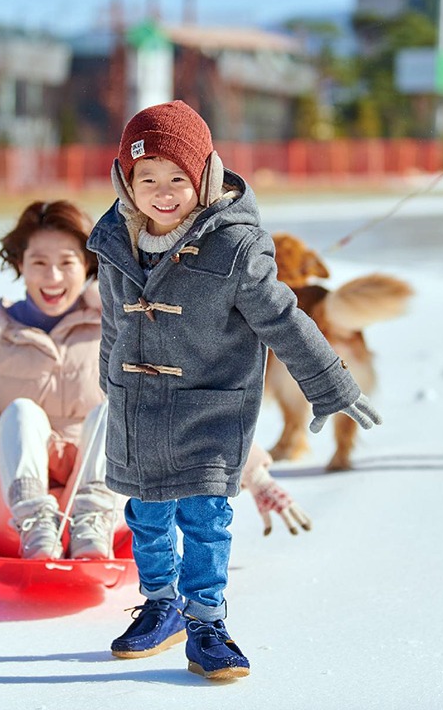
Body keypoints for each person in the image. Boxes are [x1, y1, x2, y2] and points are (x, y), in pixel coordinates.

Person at [0, 199, 313, 562]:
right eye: (39, 263)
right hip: (2, 508)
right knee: (23, 413)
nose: (53, 278)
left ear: (89, 266)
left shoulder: (124, 326)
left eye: (67, 262)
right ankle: (36, 520)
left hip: (103, 505)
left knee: (120, 409)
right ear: (19, 267)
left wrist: (256, 475)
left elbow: (180, 406)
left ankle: (90, 518)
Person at [87, 100, 381, 680]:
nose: (163, 192)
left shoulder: (234, 246)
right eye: (148, 179)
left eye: (179, 178)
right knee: (145, 517)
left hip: (209, 409)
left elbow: (284, 318)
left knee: (204, 518)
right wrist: (110, 386)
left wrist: (329, 383)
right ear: (126, 182)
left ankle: (206, 619)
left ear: (206, 178)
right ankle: (161, 604)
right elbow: (114, 324)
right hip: (136, 407)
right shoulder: (114, 242)